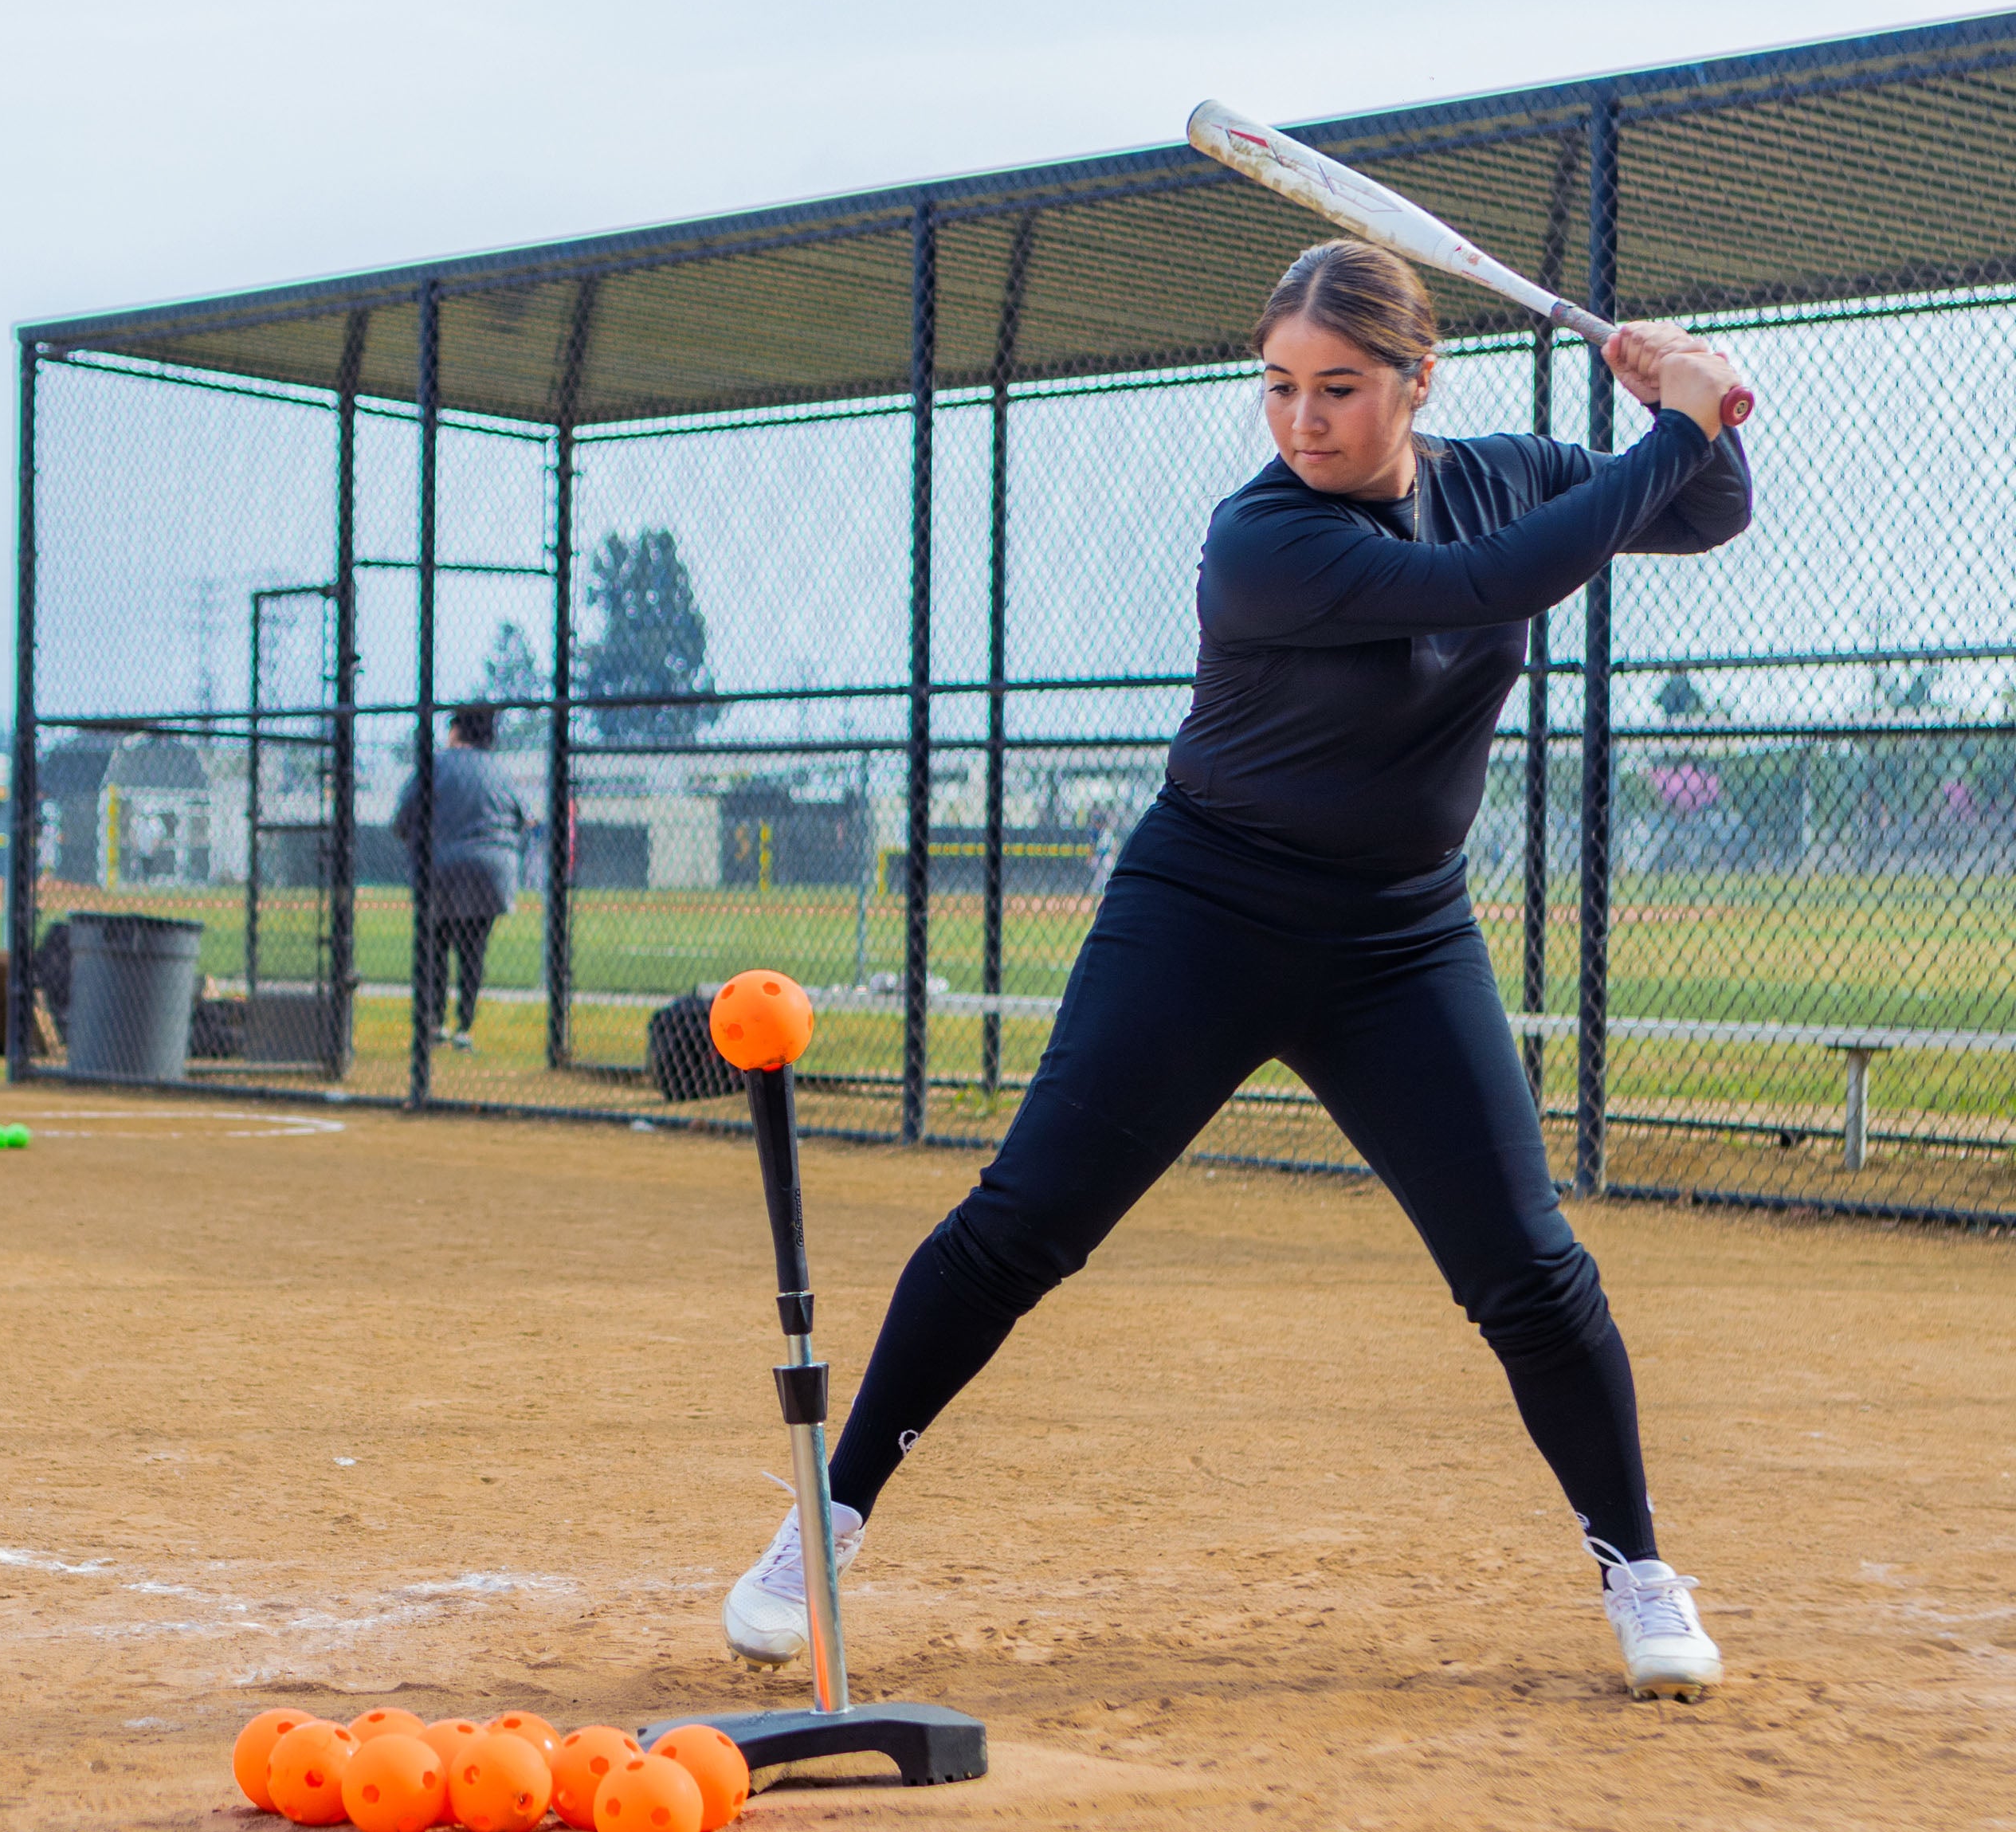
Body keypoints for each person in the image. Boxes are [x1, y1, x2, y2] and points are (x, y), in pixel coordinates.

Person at [723, 240, 1752, 1704]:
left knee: (1529, 1269)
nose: (1303, 421)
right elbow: (1488, 582)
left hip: (1400, 937)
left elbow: (1705, 510)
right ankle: (821, 1524)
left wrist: (1681, 400)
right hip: (1205, 913)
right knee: (1025, 1223)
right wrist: (1675, 426)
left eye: (1338, 388)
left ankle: (1638, 1569)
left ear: (1416, 379)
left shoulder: (1507, 466)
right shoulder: (1262, 539)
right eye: (1278, 388)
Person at [394, 704, 532, 1049]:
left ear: (456, 730)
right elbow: (524, 821)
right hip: (491, 870)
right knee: (473, 950)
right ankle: (464, 1028)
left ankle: (434, 1023)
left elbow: (402, 818)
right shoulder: (499, 771)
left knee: (435, 947)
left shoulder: (435, 764)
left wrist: (420, 843)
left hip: (439, 868)